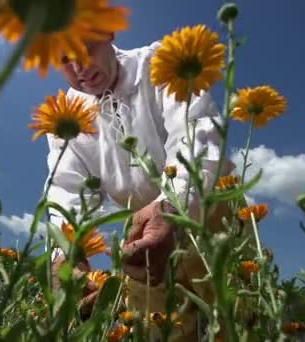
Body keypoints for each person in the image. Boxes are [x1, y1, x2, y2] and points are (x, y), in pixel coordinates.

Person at [45, 33, 237, 341]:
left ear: (108, 32)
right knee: (159, 330)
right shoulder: (63, 117)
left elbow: (195, 134)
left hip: (213, 213)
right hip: (142, 237)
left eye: (85, 48)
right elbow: (67, 189)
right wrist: (67, 250)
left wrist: (172, 207)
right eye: (65, 59)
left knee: (237, 318)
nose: (79, 67)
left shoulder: (160, 62)